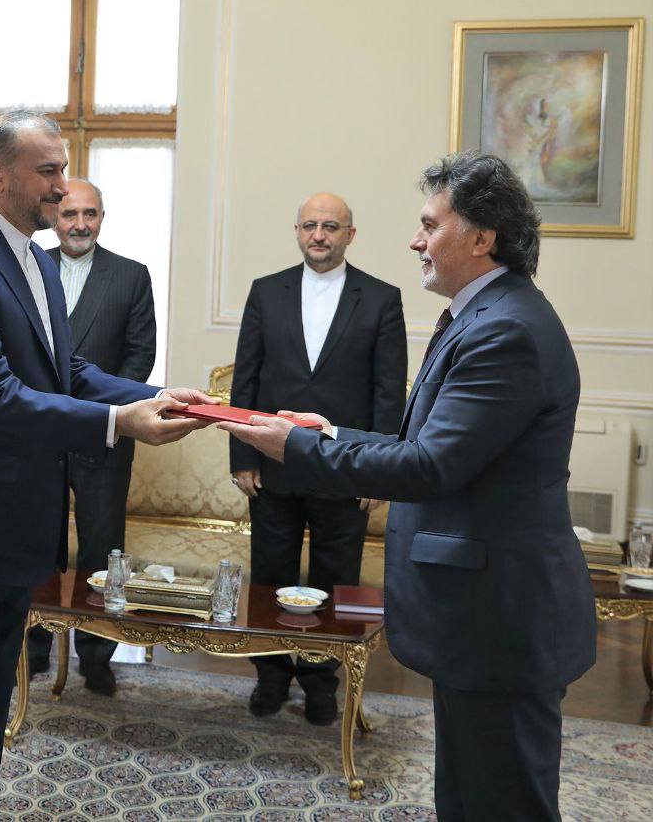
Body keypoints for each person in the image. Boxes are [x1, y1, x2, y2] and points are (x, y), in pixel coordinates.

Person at [222, 151, 595, 820]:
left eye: (429, 225)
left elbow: (429, 466)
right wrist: (329, 432)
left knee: (502, 803)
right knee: (469, 797)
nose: (416, 241)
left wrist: (299, 448)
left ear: (481, 239)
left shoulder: (505, 329)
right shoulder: (485, 314)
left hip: (498, 617)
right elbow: (422, 444)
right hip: (481, 615)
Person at [0, 110, 213, 821]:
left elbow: (65, 370)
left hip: (16, 528)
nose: (62, 186)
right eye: (47, 171)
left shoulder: (36, 261)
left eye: (62, 169)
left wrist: (153, 396)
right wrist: (117, 423)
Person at [229, 192, 406, 724]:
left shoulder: (381, 298)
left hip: (346, 467)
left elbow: (388, 394)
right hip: (272, 465)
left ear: (350, 235)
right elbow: (246, 379)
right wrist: (242, 455)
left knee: (337, 579)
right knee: (271, 575)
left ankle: (322, 682)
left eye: (331, 226)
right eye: (310, 225)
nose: (319, 235)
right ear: (297, 231)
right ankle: (270, 675)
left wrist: (379, 469)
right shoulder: (266, 291)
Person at [23, 178, 157, 695]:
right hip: (40, 434)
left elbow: (139, 356)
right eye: (70, 214)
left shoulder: (131, 276)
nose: (80, 224)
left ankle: (97, 655)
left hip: (106, 434)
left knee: (102, 547)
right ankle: (35, 646)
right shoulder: (27, 267)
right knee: (39, 542)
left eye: (90, 214)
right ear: (54, 217)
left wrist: (106, 415)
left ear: (102, 217)